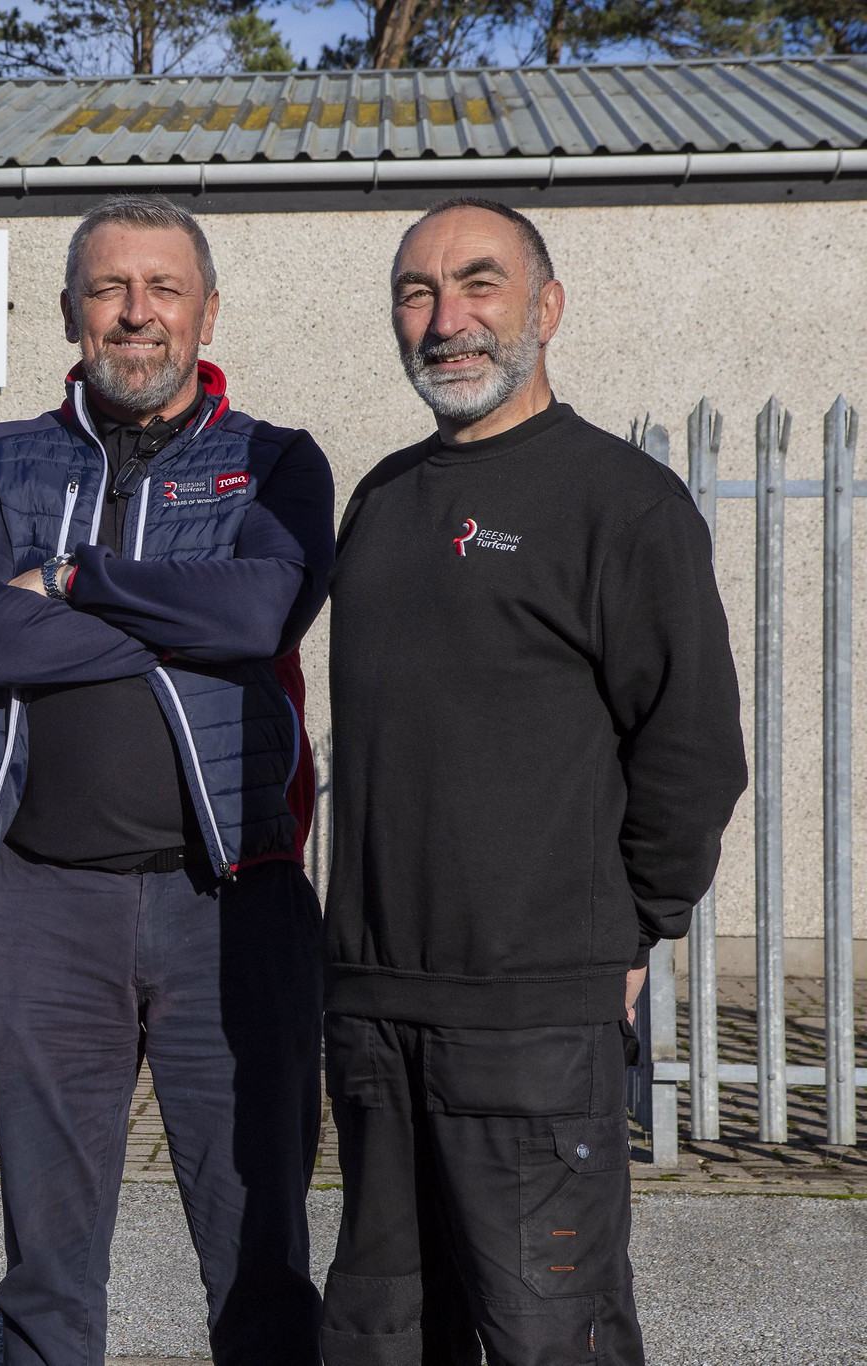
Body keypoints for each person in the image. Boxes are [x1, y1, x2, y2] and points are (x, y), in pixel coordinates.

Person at [324, 197, 746, 1365]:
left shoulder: (619, 504)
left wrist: (628, 928)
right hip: (371, 1014)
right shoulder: (381, 499)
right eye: (415, 293)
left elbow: (691, 749)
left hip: (527, 1023)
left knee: (544, 1330)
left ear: (545, 307)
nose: (444, 318)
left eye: (477, 283)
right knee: (377, 1335)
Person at [0, 193, 336, 1366]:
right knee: (46, 1269)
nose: (135, 312)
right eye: (108, 288)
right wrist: (167, 617)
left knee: (259, 1254)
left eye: (161, 288)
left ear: (205, 309)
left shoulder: (272, 460)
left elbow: (261, 608)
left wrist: (68, 581)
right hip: (41, 904)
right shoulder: (2, 458)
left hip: (231, 904)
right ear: (69, 313)